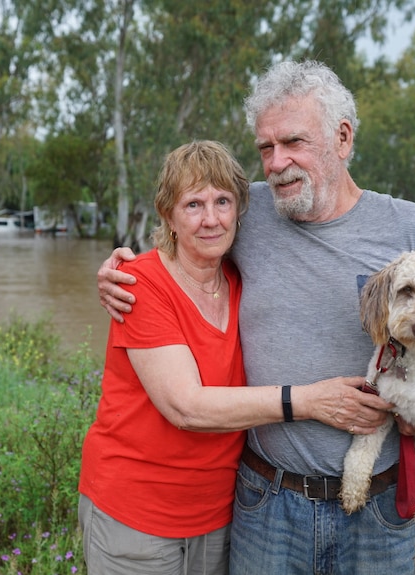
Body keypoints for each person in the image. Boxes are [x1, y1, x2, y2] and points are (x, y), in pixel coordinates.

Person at [97, 61, 415, 575]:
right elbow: (188, 243)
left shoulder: (407, 225)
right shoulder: (248, 213)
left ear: (342, 137)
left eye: (293, 142)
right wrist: (123, 268)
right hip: (267, 502)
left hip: (379, 511)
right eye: (266, 148)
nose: (276, 163)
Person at [78, 140, 392, 575]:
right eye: (193, 205)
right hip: (137, 514)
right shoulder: (138, 283)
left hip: (221, 512)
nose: (211, 219)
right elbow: (185, 406)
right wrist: (307, 401)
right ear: (167, 215)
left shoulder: (238, 279)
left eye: (223, 201)